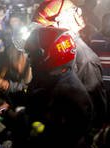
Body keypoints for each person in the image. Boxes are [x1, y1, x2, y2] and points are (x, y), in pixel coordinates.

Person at [14, 27, 94, 148]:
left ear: (47, 57)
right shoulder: (52, 78)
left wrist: (20, 118)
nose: (29, 59)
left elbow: (51, 138)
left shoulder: (69, 93)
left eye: (32, 54)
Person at [32, 0, 108, 131]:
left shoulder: (85, 59)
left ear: (60, 22)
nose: (43, 34)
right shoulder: (55, 53)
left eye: (47, 29)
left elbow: (96, 110)